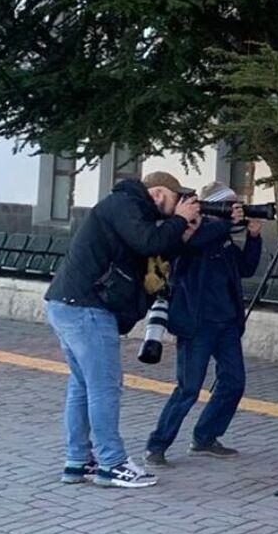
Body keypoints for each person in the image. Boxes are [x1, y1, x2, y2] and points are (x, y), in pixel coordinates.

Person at [44, 171, 198, 488]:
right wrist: (180, 220)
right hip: (87, 309)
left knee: (83, 386)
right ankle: (111, 463)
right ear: (157, 194)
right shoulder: (125, 204)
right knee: (104, 386)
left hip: (71, 304)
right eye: (174, 198)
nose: (178, 204)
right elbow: (147, 241)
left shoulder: (129, 209)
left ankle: (78, 461)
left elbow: (149, 253)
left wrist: (182, 233)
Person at [143, 182, 263, 466]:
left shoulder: (222, 236)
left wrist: (254, 237)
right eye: (229, 205)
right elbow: (195, 243)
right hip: (196, 324)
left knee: (234, 382)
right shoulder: (188, 231)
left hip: (227, 323)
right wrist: (226, 223)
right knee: (188, 388)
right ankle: (157, 444)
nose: (235, 211)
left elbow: (245, 268)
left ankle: (206, 437)